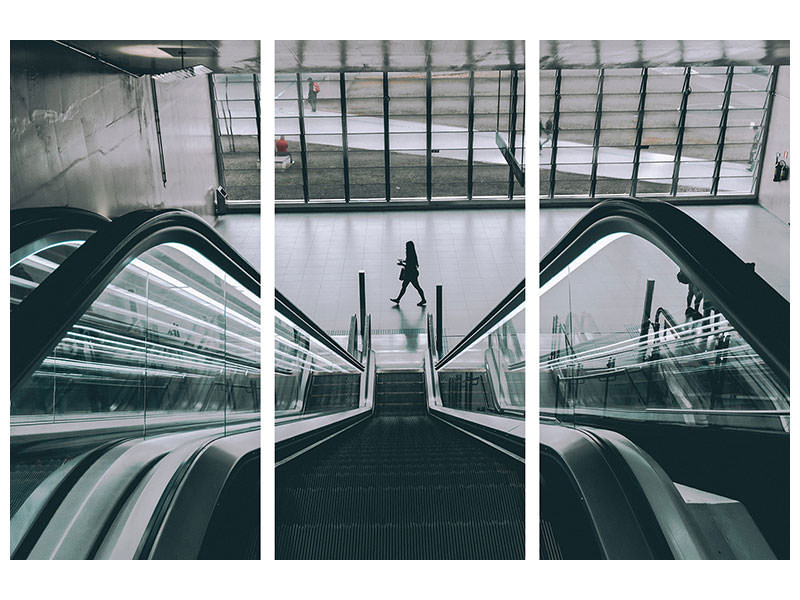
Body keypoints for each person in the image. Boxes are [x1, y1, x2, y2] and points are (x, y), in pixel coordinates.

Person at [391, 241, 426, 306]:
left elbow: (409, 265)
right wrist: (403, 261)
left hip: (410, 274)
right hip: (412, 273)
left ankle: (423, 299)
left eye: (406, 247)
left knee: (414, 287)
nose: (405, 248)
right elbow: (409, 262)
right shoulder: (412, 254)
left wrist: (402, 264)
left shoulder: (410, 254)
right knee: (406, 286)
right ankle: (398, 299)